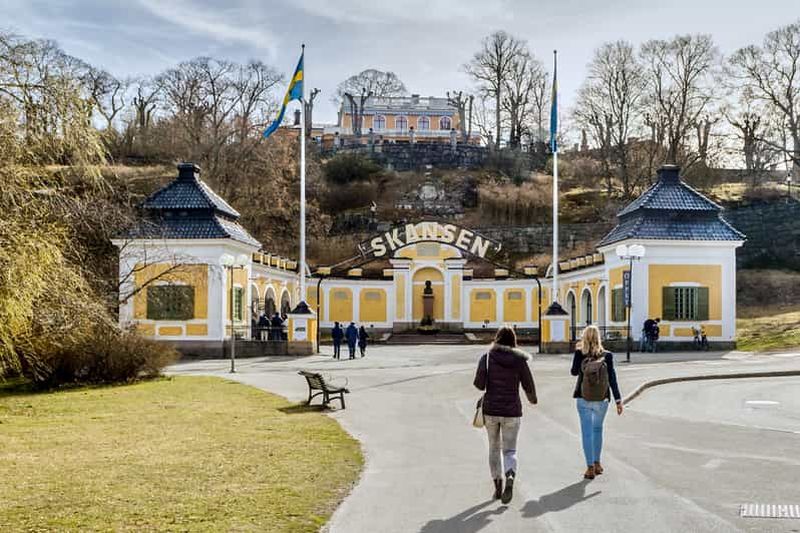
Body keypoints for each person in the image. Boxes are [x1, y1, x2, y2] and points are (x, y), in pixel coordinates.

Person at [473, 326, 537, 504]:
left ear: (497, 339)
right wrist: (533, 399)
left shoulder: (486, 358)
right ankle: (510, 475)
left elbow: (479, 384)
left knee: (493, 448)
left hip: (491, 410)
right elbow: (528, 384)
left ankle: (498, 487)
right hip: (512, 411)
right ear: (513, 341)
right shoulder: (519, 360)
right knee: (510, 450)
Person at [571, 325, 623, 480]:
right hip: (602, 398)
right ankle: (598, 463)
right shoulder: (607, 355)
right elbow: (612, 378)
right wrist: (618, 400)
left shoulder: (580, 353)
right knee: (598, 430)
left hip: (583, 397)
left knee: (586, 433)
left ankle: (590, 468)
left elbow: (573, 372)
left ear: (584, 338)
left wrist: (580, 354)